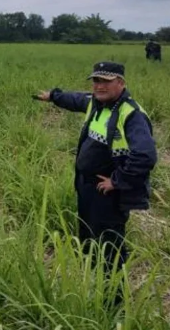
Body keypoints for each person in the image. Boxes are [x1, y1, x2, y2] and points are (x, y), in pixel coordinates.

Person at [35, 62, 156, 288]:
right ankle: (94, 284)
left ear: (121, 83)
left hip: (108, 194)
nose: (99, 86)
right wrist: (53, 96)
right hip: (87, 187)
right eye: (96, 80)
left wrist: (117, 181)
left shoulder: (131, 115)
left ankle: (113, 298)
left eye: (106, 81)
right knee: (90, 237)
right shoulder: (96, 103)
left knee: (109, 245)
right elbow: (75, 99)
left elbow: (145, 156)